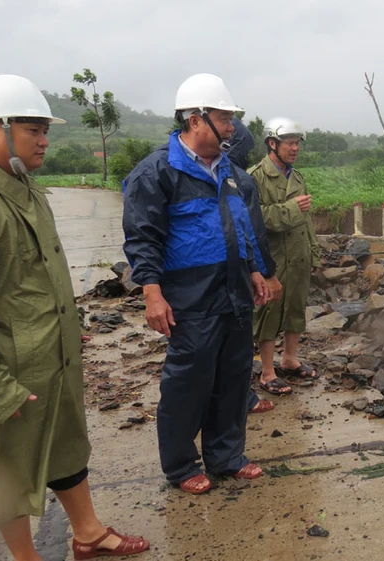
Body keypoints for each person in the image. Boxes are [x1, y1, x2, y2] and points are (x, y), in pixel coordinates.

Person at [0, 75, 149, 560]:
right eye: (33, 130)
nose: (45, 140)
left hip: (53, 355)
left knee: (69, 445)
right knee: (10, 469)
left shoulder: (24, 187)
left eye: (45, 130)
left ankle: (87, 532)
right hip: (11, 367)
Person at [122, 73, 268, 495]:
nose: (232, 128)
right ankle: (182, 466)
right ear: (194, 119)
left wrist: (254, 269)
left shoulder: (231, 173)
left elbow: (242, 227)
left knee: (234, 377)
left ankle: (227, 457)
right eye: (224, 119)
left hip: (235, 290)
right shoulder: (157, 172)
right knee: (189, 382)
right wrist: (151, 292)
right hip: (191, 295)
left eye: (231, 119)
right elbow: (143, 236)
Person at [249, 118, 322, 395]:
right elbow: (255, 219)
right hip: (273, 257)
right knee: (269, 311)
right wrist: (291, 207)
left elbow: (307, 220)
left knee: (295, 307)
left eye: (297, 143)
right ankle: (267, 372)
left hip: (299, 254)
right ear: (272, 143)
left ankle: (289, 359)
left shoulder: (298, 176)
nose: (295, 148)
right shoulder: (255, 176)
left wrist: (313, 253)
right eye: (289, 143)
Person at [226, 117, 283, 414]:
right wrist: (266, 273)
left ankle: (203, 404)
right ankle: (242, 399)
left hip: (196, 279)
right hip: (232, 273)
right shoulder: (242, 180)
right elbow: (254, 232)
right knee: (236, 340)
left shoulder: (174, 170)